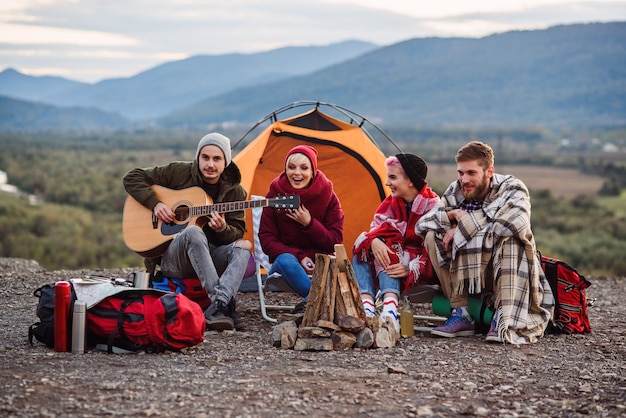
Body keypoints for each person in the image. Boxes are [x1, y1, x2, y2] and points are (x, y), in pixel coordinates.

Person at [416, 141, 554, 344]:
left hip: (501, 274)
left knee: (511, 240)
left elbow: (512, 225)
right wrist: (453, 214)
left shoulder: (512, 189)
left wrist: (463, 227)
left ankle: (503, 317)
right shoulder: (456, 190)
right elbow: (422, 224)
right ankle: (461, 313)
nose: (464, 179)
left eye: (471, 172)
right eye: (460, 173)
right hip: (467, 276)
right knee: (432, 235)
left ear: (489, 171)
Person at [123, 132, 252, 331]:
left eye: (217, 159)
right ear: (198, 157)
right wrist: (155, 204)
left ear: (226, 161)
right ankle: (222, 305)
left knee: (244, 246)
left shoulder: (236, 193)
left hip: (210, 258)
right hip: (175, 260)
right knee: (193, 232)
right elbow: (132, 177)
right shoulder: (178, 172)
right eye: (205, 157)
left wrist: (223, 229)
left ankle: (219, 305)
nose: (210, 164)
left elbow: (236, 233)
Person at [352, 153, 440, 334]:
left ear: (410, 180)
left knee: (390, 250)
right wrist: (374, 240)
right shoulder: (390, 203)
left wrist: (409, 268)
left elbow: (434, 250)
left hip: (420, 269)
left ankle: (390, 308)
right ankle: (367, 307)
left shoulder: (434, 206)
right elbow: (376, 230)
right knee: (362, 248)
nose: (387, 183)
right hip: (393, 261)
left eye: (393, 177)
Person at [258, 145, 344, 313]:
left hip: (320, 264)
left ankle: (311, 302)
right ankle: (322, 301)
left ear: (313, 171)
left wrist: (309, 224)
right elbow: (267, 239)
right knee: (285, 260)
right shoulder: (275, 194)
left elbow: (334, 242)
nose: (297, 173)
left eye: (304, 168)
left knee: (339, 263)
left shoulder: (329, 197)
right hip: (287, 265)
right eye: (291, 167)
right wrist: (299, 257)